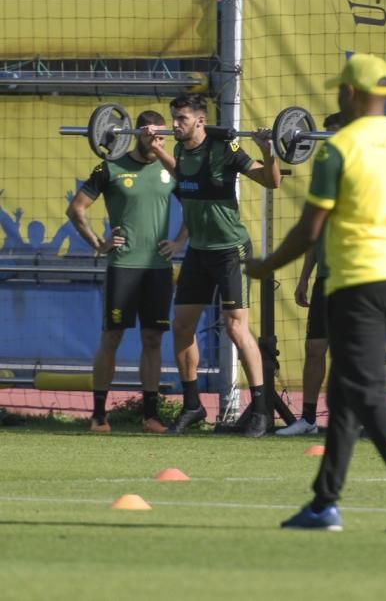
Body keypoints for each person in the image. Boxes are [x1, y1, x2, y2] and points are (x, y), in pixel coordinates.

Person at [245, 53, 386, 532]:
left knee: (367, 395)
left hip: (358, 284)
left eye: (341, 89)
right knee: (343, 394)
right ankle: (323, 504)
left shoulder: (342, 147)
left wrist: (266, 265)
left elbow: (309, 229)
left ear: (350, 93)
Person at [155, 93, 281, 438]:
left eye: (181, 118)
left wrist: (268, 150)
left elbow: (271, 181)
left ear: (200, 119)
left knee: (236, 328)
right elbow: (185, 181)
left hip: (230, 251)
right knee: (181, 327)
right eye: (174, 118)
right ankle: (193, 405)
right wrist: (155, 147)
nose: (175, 124)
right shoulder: (181, 150)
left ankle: (259, 409)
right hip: (199, 250)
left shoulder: (225, 149)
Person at [66, 110, 187, 434]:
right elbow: (76, 208)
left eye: (162, 137)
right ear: (137, 134)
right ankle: (99, 416)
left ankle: (150, 416)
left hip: (159, 269)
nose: (157, 141)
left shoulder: (170, 169)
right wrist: (98, 243)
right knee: (113, 337)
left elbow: (198, 201)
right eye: (152, 135)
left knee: (152, 339)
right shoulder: (111, 167)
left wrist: (178, 242)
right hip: (123, 267)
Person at [276, 112, 343, 436]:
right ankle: (308, 419)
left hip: (358, 281)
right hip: (326, 280)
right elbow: (314, 237)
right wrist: (304, 278)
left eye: (335, 135)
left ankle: (350, 419)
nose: (327, 143)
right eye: (325, 136)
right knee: (315, 349)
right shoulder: (324, 182)